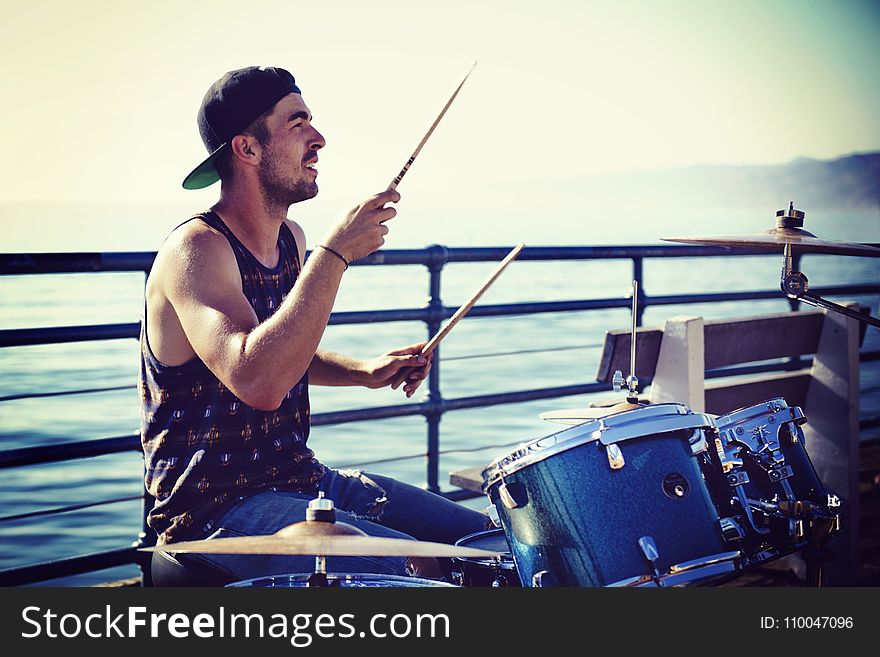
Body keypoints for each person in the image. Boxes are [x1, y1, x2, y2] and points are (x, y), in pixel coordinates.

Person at [139, 66, 486, 583]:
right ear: (248, 150)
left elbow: (280, 348)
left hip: (301, 478)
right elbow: (257, 379)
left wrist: (363, 370)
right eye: (297, 123)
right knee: (421, 567)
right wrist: (335, 254)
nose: (319, 138)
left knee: (480, 545)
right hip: (213, 513)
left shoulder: (289, 239)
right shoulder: (197, 250)